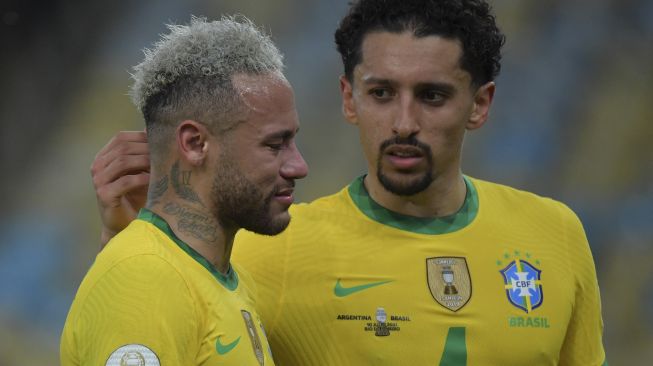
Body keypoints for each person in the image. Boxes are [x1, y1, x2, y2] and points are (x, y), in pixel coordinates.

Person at [90, 0, 608, 365]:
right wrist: (127, 233)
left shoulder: (555, 236)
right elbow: (150, 313)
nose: (403, 122)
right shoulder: (270, 251)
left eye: (431, 96)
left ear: (479, 104)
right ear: (348, 98)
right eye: (381, 93)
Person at [61, 16, 308, 365]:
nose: (299, 166)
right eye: (274, 145)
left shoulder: (226, 282)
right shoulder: (146, 278)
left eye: (292, 140)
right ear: (194, 144)